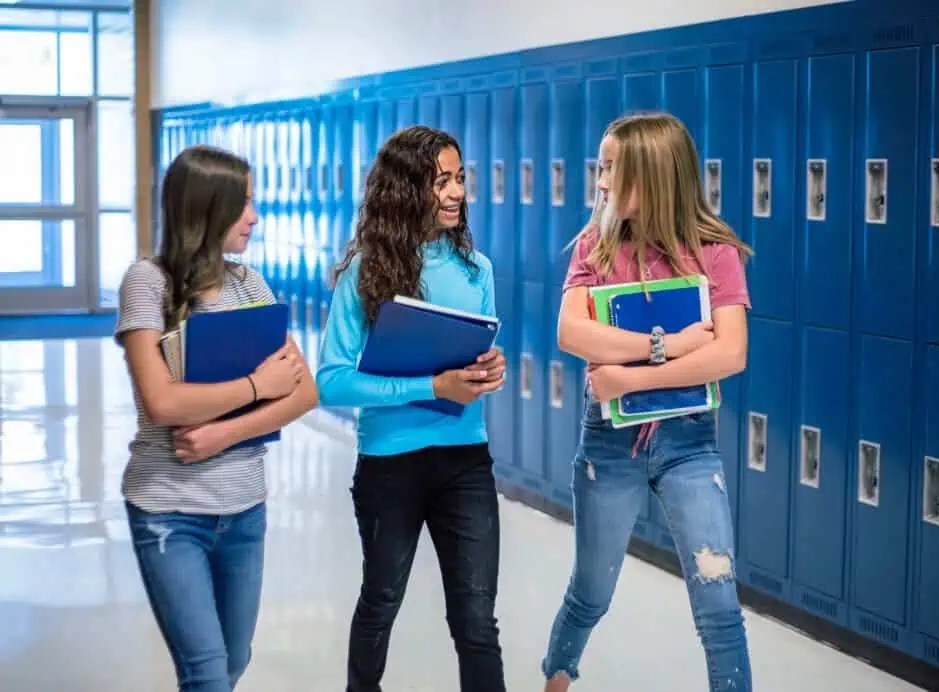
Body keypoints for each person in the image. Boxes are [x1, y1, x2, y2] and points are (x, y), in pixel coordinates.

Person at [541, 112, 755, 691]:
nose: (601, 182)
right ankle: (555, 681)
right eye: (601, 166)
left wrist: (629, 376)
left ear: (654, 176)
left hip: (689, 445)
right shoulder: (596, 245)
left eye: (613, 169)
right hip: (608, 448)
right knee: (591, 592)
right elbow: (572, 333)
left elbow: (730, 355)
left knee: (719, 606)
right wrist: (668, 346)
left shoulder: (714, 253)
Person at [114, 144, 319, 692]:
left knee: (233, 661)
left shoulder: (250, 285)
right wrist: (257, 387)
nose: (255, 217)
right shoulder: (148, 283)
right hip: (169, 510)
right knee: (205, 674)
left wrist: (224, 432)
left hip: (244, 508)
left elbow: (304, 394)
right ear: (206, 209)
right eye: (243, 204)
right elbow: (162, 402)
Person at [316, 125, 508, 692]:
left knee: (476, 621)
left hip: (465, 460)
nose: (455, 193)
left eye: (459, 179)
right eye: (440, 181)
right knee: (381, 600)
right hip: (390, 465)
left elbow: (482, 354)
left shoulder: (478, 269)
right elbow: (331, 381)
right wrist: (430, 385)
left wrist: (488, 371)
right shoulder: (365, 272)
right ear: (406, 190)